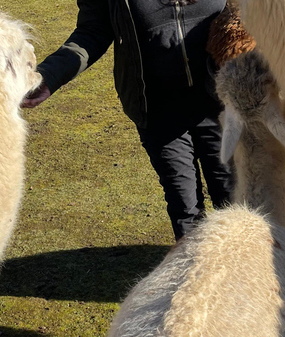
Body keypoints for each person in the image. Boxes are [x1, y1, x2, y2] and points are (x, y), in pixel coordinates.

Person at [24, 0, 233, 240]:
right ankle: (195, 273)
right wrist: (50, 76)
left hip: (220, 107)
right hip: (157, 110)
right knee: (186, 210)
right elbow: (92, 31)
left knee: (232, 200)